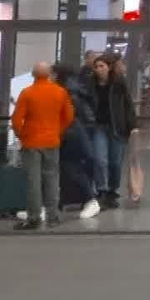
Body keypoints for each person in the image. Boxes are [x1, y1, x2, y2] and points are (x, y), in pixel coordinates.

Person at [11, 61, 74, 230]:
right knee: (52, 179)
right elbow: (68, 116)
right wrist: (57, 130)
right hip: (52, 141)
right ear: (49, 74)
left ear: (33, 74)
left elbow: (17, 120)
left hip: (31, 142)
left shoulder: (27, 93)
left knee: (33, 181)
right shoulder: (60, 92)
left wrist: (22, 135)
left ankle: (34, 217)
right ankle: (53, 216)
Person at [89, 54, 136, 209]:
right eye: (96, 66)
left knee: (115, 162)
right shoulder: (91, 84)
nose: (98, 69)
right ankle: (101, 189)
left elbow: (128, 105)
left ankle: (112, 190)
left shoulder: (118, 83)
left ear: (109, 67)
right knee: (100, 159)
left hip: (117, 127)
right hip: (99, 127)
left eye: (102, 66)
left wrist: (132, 125)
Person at [51, 63, 97, 218]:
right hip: (75, 134)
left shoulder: (65, 92)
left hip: (69, 136)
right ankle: (69, 201)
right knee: (70, 169)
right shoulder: (74, 89)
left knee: (71, 168)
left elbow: (67, 116)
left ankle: (90, 199)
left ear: (57, 75)